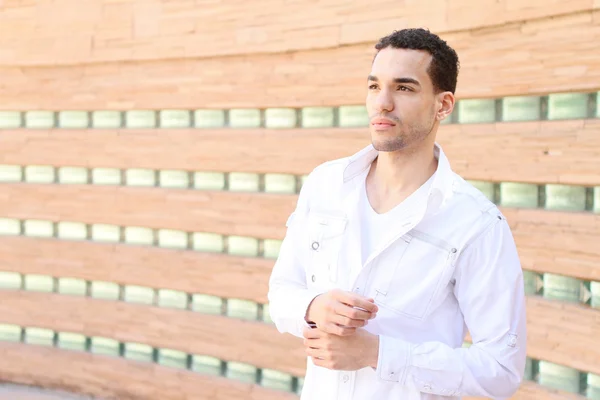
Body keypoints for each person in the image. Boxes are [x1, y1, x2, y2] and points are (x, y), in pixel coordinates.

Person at [267, 28, 527, 400]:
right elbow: (281, 292)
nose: (382, 103)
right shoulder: (326, 184)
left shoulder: (477, 223)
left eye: (404, 88)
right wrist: (313, 306)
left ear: (444, 104)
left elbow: (501, 370)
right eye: (374, 86)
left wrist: (378, 354)